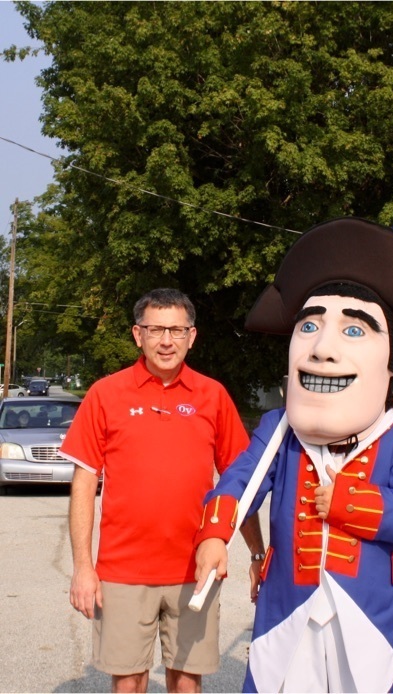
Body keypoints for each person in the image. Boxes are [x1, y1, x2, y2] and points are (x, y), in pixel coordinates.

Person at [193, 218, 393, 693]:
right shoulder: (280, 429)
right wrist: (215, 534)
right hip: (287, 606)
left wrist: (347, 502)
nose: (322, 349)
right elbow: (240, 481)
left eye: (354, 331)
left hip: (367, 612)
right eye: (310, 326)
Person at [61, 288, 251, 693]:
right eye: (156, 329)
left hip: (194, 570)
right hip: (123, 571)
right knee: (128, 680)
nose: (167, 340)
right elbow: (84, 484)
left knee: (186, 680)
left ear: (192, 336)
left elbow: (240, 482)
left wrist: (257, 553)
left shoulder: (213, 396)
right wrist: (82, 567)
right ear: (137, 334)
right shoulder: (105, 395)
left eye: (177, 330)